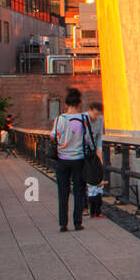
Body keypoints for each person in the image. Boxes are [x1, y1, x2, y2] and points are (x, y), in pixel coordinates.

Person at [52, 87, 90, 232]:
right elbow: (88, 139)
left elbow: (53, 136)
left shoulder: (59, 119)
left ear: (66, 104)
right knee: (79, 191)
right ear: (79, 103)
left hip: (62, 159)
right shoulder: (84, 119)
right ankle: (77, 222)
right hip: (79, 159)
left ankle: (63, 224)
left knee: (63, 191)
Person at [85, 101, 106, 218]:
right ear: (90, 110)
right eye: (95, 114)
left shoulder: (100, 119)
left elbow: (99, 136)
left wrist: (99, 150)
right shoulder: (83, 118)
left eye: (98, 114)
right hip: (84, 151)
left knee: (96, 178)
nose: (96, 117)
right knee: (86, 179)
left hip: (93, 152)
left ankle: (96, 210)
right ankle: (88, 207)